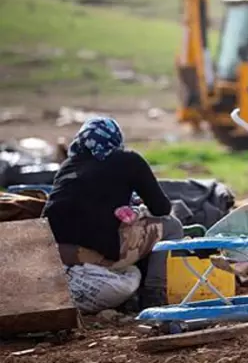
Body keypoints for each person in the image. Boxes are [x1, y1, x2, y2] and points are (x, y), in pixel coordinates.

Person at [42, 117, 183, 309]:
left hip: (53, 256)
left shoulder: (68, 166)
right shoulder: (128, 160)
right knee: (172, 226)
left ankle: (130, 297)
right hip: (91, 255)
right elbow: (161, 209)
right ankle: (153, 295)